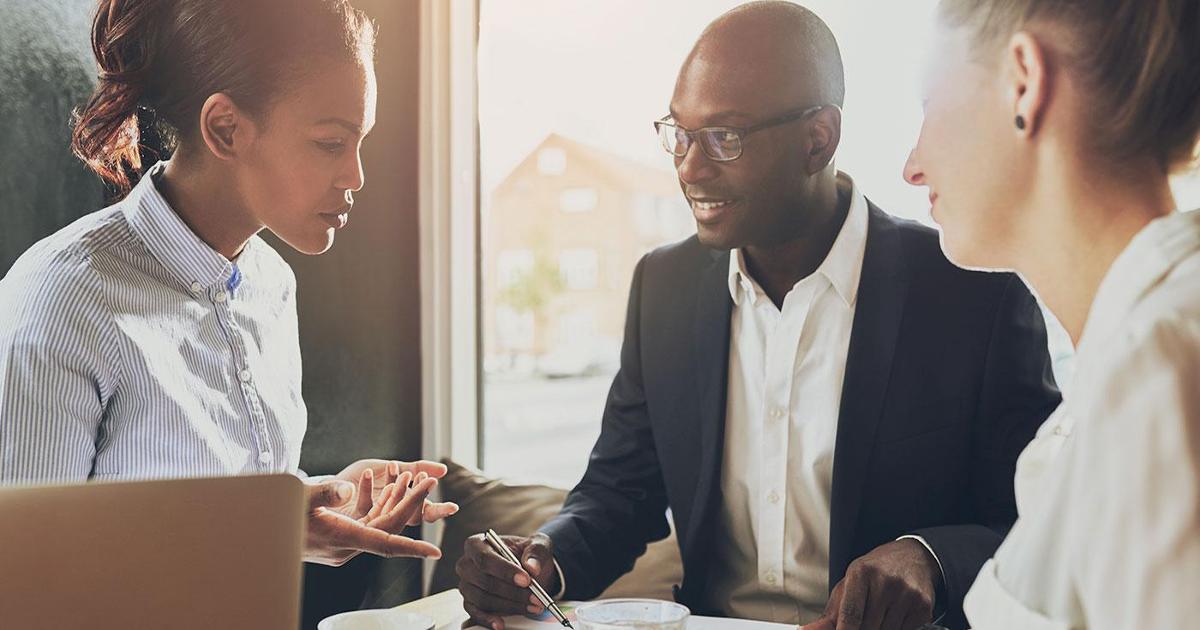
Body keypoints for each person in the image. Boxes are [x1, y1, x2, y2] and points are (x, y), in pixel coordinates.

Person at [457, 3, 1060, 629]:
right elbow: (620, 491)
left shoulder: (973, 292)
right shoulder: (662, 287)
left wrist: (927, 558)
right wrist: (543, 558)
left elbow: (1040, 519)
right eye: (680, 135)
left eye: (725, 137)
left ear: (818, 139)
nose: (689, 167)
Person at [0, 0, 456, 567]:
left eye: (359, 142)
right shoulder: (63, 299)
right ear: (225, 128)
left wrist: (319, 507)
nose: (355, 176)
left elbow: (219, 517)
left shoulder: (271, 285)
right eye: (331, 143)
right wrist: (264, 529)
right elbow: (22, 570)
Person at [903, 0, 1200, 628]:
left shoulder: (1161, 371)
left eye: (929, 104)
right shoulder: (1123, 369)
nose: (912, 166)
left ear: (1024, 81)